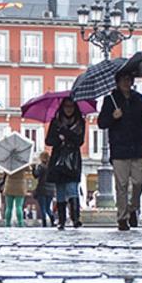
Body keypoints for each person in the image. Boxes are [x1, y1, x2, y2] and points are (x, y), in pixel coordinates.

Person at [98, 74, 142, 231]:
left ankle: (132, 207)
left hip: (137, 148)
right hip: (119, 148)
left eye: (129, 80)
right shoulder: (110, 100)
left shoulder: (138, 99)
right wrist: (113, 117)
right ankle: (122, 218)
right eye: (123, 80)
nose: (126, 83)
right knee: (121, 185)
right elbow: (102, 122)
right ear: (118, 82)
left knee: (138, 182)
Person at [45, 97, 87, 229]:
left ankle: (75, 218)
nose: (68, 109)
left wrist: (64, 132)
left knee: (73, 188)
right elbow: (49, 141)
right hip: (58, 158)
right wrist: (59, 139)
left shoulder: (80, 123)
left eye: (71, 106)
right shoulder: (55, 122)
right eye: (66, 106)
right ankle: (62, 220)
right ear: (62, 108)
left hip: (73, 159)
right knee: (61, 190)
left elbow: (79, 141)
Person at [2, 159, 31, 226]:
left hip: (9, 185)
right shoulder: (22, 162)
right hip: (20, 185)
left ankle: (7, 223)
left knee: (9, 207)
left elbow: (4, 172)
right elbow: (29, 169)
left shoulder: (8, 162)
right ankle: (20, 223)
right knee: (19, 206)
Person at [32, 151, 55, 227]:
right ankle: (52, 220)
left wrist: (33, 168)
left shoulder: (41, 166)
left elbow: (36, 175)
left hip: (42, 189)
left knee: (43, 208)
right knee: (48, 208)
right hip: (51, 190)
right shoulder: (52, 166)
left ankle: (44, 223)